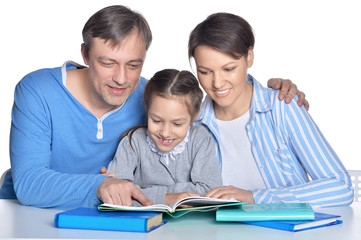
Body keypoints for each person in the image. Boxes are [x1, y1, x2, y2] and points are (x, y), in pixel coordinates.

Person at [0, 5, 307, 209]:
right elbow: (29, 184)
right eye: (107, 63)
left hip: (121, 217)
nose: (122, 79)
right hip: (28, 217)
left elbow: (205, 103)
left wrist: (272, 93)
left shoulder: (149, 96)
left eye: (134, 65)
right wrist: (105, 186)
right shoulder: (38, 90)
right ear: (84, 53)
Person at [188, 12, 354, 207]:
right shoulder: (191, 122)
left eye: (229, 69)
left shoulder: (282, 107)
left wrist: (256, 197)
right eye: (205, 72)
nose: (217, 83)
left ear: (249, 57)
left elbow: (341, 188)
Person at [107, 69, 222, 206]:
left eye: (177, 124)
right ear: (147, 109)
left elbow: (210, 192)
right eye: (156, 121)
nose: (165, 133)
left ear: (194, 115)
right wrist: (167, 198)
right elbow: (116, 193)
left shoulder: (200, 139)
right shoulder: (133, 142)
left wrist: (142, 191)